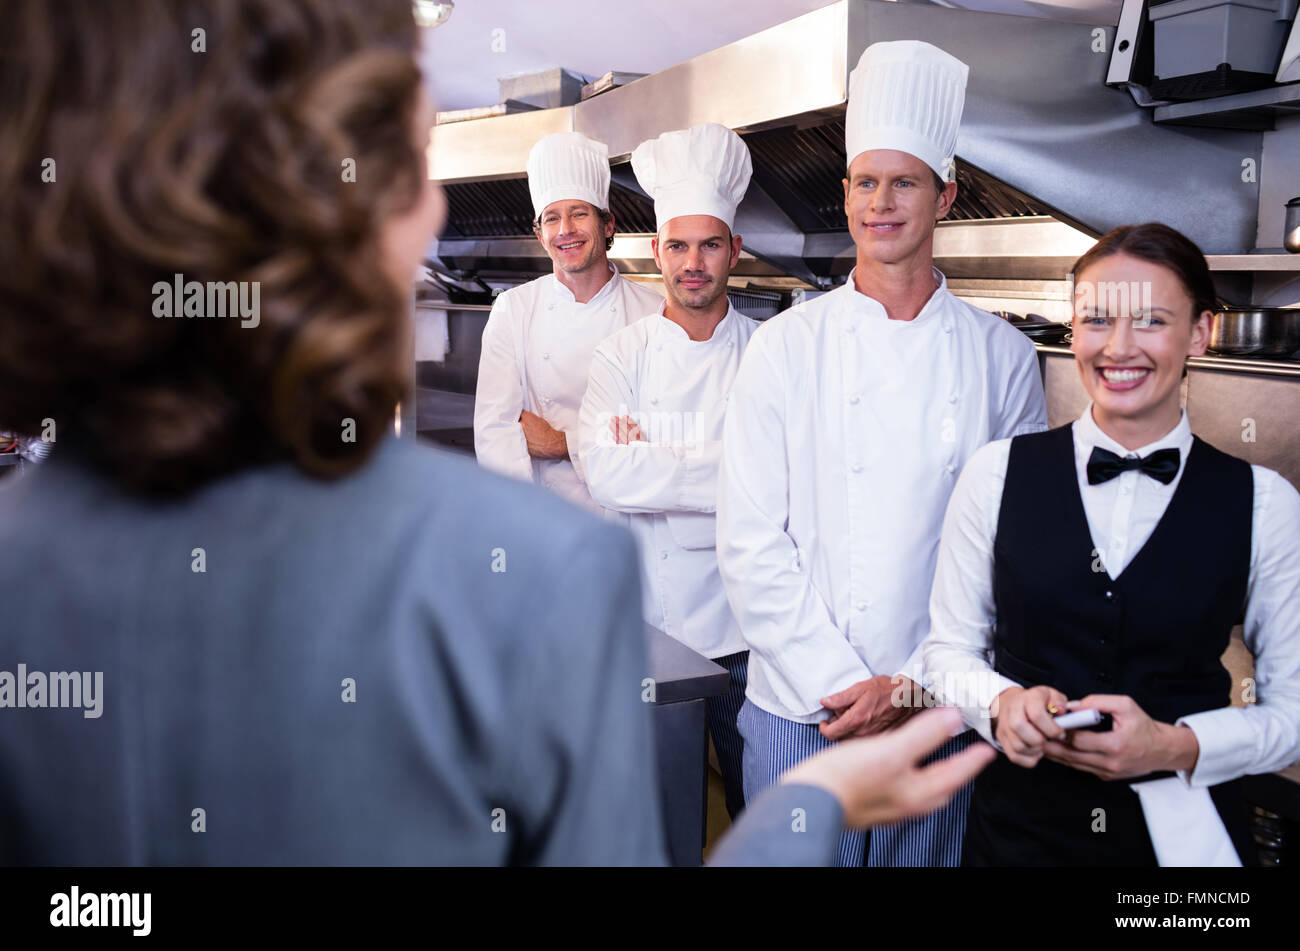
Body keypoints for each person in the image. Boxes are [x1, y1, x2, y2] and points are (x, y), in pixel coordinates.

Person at [0, 0, 993, 867]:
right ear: (402, 206)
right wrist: (809, 809)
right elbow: (585, 458)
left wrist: (615, 457)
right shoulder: (543, 583)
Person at [716, 39, 1048, 868]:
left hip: (934, 704)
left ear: (945, 197)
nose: (882, 202)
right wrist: (844, 682)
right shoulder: (787, 347)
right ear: (846, 195)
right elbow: (752, 541)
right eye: (867, 182)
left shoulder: (1000, 357)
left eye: (905, 182)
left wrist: (908, 688)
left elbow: (1006, 550)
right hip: (803, 706)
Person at [922, 223, 1300, 866]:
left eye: (1151, 320)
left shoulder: (1265, 502)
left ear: (1201, 331)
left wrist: (1177, 745)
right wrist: (1002, 701)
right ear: (1074, 328)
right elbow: (947, 653)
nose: (1119, 348)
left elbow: (1293, 713)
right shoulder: (996, 474)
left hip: (1186, 845)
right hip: (1019, 836)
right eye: (1097, 320)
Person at [579, 123, 757, 821]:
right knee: (658, 815)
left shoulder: (768, 353)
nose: (693, 262)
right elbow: (604, 474)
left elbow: (773, 480)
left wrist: (651, 458)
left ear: (734, 251)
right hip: (652, 624)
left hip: (748, 633)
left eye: (710, 244)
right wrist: (723, 470)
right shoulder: (621, 354)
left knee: (752, 807)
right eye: (678, 245)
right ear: (656, 252)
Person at [473, 131, 663, 513]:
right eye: (552, 219)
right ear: (540, 235)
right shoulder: (513, 309)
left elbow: (658, 433)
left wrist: (561, 444)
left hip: (628, 517)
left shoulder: (655, 311)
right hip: (545, 512)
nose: (565, 231)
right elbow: (495, 432)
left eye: (579, 213)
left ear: (608, 225)